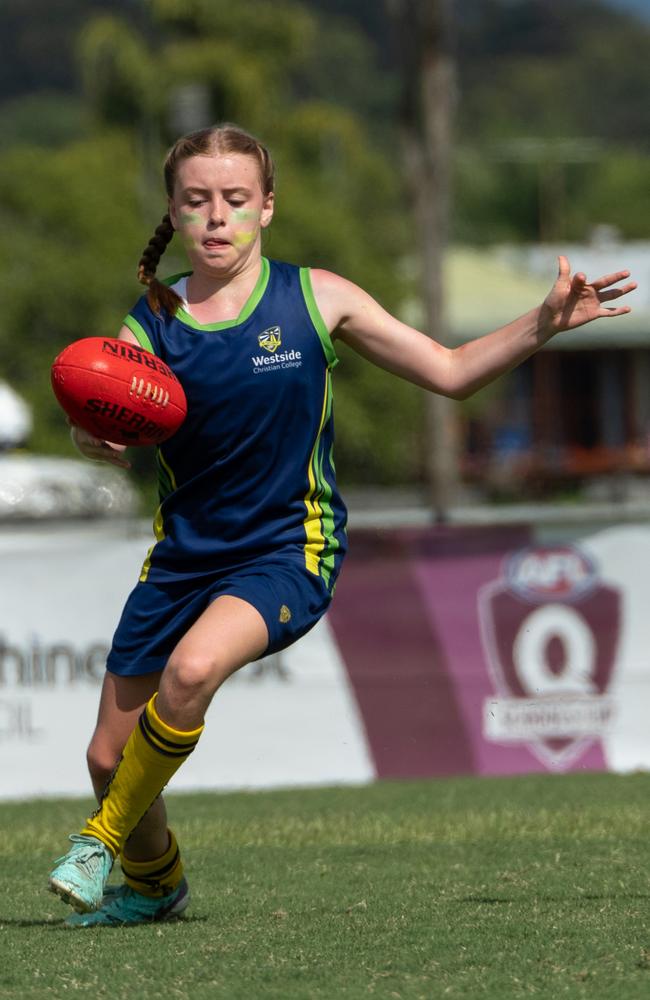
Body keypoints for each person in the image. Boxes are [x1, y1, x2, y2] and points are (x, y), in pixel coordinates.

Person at [47, 122, 636, 927]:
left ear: (268, 207)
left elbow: (453, 372)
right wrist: (91, 435)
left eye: (235, 200)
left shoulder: (317, 297)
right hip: (183, 558)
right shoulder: (150, 322)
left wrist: (544, 323)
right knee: (106, 757)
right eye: (197, 201)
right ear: (175, 214)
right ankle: (156, 886)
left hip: (289, 550)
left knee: (189, 676)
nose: (217, 217)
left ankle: (97, 846)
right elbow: (107, 413)